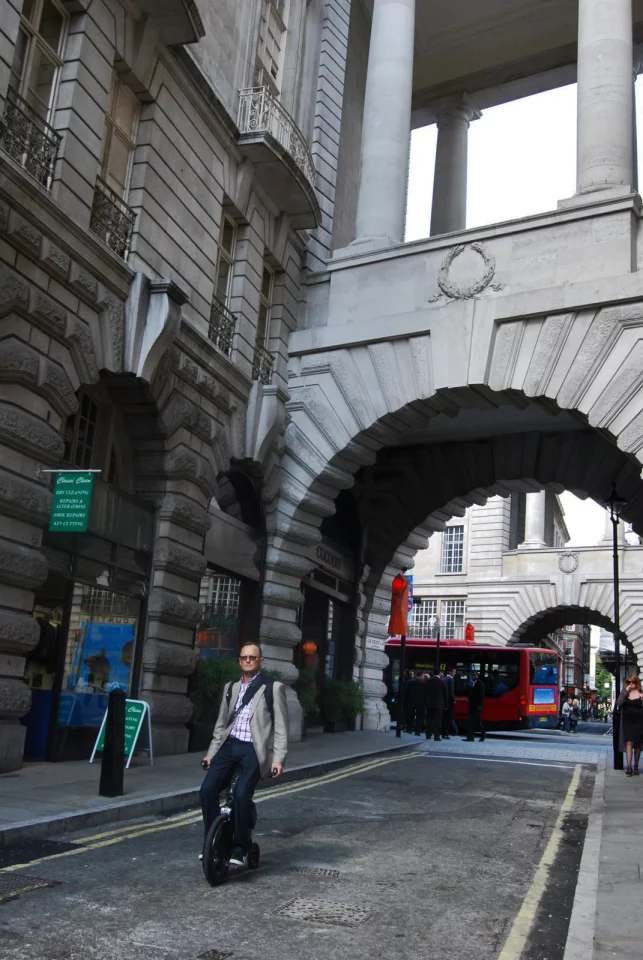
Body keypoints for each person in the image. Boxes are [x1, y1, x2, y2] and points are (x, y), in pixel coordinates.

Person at [200, 642, 288, 867]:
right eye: (244, 657)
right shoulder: (231, 687)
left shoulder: (272, 688)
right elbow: (221, 724)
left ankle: (239, 847)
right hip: (229, 747)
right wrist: (211, 754)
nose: (248, 660)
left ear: (260, 661)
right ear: (239, 661)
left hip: (253, 750)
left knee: (240, 795)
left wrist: (278, 759)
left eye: (252, 657)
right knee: (207, 790)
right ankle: (215, 842)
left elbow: (281, 727)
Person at [615, 674, 643, 776]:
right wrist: (626, 691)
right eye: (629, 682)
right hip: (627, 721)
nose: (632, 684)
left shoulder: (640, 693)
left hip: (639, 721)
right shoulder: (624, 692)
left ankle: (636, 766)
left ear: (637, 683)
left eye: (634, 682)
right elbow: (618, 703)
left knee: (637, 744)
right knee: (629, 742)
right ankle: (629, 767)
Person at [424, 669, 446, 741]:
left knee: (429, 720)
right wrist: (446, 705)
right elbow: (445, 694)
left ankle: (428, 735)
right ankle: (436, 736)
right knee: (437, 721)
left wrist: (425, 702)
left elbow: (425, 692)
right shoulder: (442, 682)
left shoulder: (428, 681)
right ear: (439, 673)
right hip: (439, 704)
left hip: (429, 704)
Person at [465, 670, 485, 742]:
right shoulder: (472, 684)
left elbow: (481, 696)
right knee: (472, 722)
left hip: (476, 707)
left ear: (477, 676)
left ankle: (481, 735)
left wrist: (479, 705)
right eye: (473, 675)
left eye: (475, 675)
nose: (474, 676)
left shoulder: (480, 684)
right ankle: (470, 737)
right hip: (472, 706)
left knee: (475, 722)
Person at [405, 671, 426, 735]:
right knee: (419, 717)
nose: (423, 677)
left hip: (411, 701)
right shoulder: (423, 683)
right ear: (420, 676)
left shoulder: (410, 682)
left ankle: (409, 729)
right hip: (420, 702)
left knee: (410, 716)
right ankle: (417, 731)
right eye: (422, 676)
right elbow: (425, 694)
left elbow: (406, 691)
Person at [442, 667, 456, 739]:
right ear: (450, 672)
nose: (455, 673)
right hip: (450, 702)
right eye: (454, 672)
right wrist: (454, 700)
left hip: (443, 701)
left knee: (444, 718)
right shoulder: (451, 680)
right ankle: (446, 734)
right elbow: (451, 692)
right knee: (449, 718)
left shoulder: (444, 679)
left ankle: (443, 733)